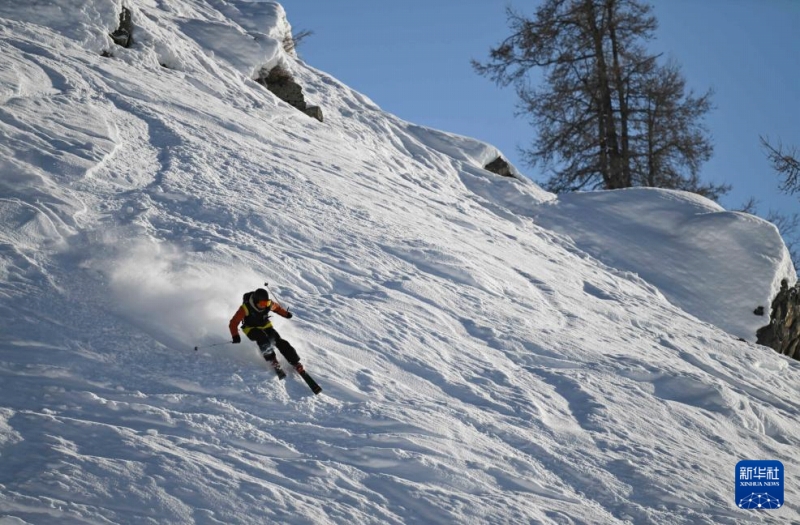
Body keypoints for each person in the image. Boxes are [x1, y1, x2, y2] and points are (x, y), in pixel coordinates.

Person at [229, 288, 304, 374]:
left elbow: (277, 308)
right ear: (255, 301)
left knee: (278, 340)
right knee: (262, 338)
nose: (264, 305)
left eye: (266, 302)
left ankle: (295, 362)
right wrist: (235, 335)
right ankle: (272, 359)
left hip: (265, 326)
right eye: (262, 303)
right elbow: (233, 322)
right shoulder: (245, 308)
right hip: (251, 328)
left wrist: (285, 314)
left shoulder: (269, 304)